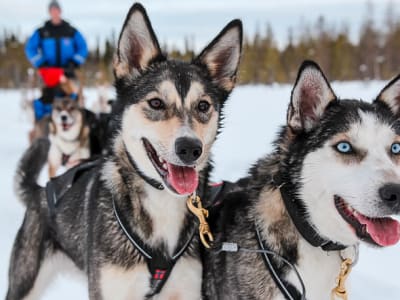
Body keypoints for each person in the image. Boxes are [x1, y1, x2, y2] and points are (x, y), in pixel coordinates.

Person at [25, 0, 88, 121]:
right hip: (49, 73)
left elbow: (83, 47)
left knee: (71, 98)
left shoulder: (70, 30)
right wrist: (41, 63)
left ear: (60, 11)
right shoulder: (42, 31)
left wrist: (74, 62)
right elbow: (30, 48)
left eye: (56, 10)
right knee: (48, 98)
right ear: (49, 12)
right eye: (52, 10)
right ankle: (46, 124)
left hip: (68, 72)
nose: (55, 12)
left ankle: (73, 125)